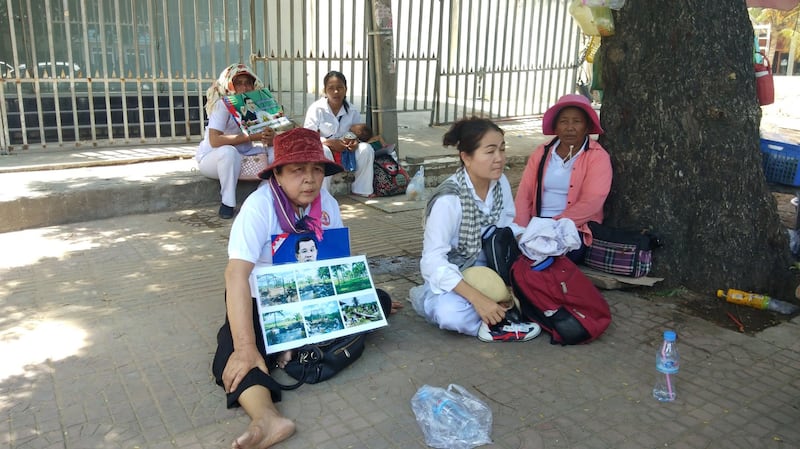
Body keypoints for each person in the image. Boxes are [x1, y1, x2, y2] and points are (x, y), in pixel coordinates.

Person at [211, 127, 345, 449]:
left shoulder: (327, 203)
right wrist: (246, 345)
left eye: (317, 170)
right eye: (298, 170)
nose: (310, 180)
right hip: (264, 298)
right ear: (279, 174)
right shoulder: (259, 207)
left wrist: (364, 295)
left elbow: (337, 263)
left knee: (377, 304)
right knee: (233, 350)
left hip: (311, 294)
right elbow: (235, 276)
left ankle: (290, 344)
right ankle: (267, 418)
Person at [414, 117, 541, 342]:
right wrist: (478, 299)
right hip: (459, 275)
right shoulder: (449, 200)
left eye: (502, 149)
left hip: (496, 268)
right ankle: (502, 317)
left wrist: (530, 237)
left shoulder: (499, 184)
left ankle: (498, 317)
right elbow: (432, 262)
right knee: (451, 315)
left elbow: (505, 228)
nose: (499, 159)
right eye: (490, 151)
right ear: (466, 157)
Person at [513, 94, 612, 263]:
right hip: (537, 224)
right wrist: (521, 229)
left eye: (577, 121)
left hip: (572, 227)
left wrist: (553, 225)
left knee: (551, 258)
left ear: (587, 126)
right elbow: (525, 194)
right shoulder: (542, 152)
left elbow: (592, 201)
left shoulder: (597, 157)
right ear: (556, 126)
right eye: (564, 121)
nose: (570, 127)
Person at [197, 63, 276, 219]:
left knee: (277, 149)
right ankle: (228, 203)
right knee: (228, 152)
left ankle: (265, 191)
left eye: (248, 83)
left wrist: (270, 137)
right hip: (213, 158)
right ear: (229, 85)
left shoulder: (256, 105)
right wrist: (252, 137)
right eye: (238, 83)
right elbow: (214, 140)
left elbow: (268, 137)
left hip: (244, 156)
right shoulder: (223, 104)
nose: (244, 87)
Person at [303, 71, 374, 197]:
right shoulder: (316, 109)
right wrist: (328, 142)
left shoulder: (352, 110)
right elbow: (308, 137)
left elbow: (356, 134)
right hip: (325, 148)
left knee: (366, 149)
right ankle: (324, 194)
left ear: (346, 90)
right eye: (331, 88)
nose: (336, 92)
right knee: (323, 151)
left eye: (340, 88)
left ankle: (362, 189)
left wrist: (354, 143)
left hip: (345, 152)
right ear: (325, 90)